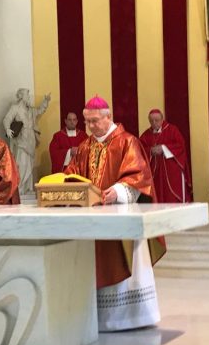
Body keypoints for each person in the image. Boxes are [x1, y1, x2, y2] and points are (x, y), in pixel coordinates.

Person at [64, 95, 166, 332]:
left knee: (126, 263)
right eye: (87, 121)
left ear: (108, 117)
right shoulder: (85, 147)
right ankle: (99, 319)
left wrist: (118, 191)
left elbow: (140, 176)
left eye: (95, 121)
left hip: (122, 217)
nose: (90, 126)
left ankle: (131, 318)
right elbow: (71, 174)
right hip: (93, 221)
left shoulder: (127, 142)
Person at [3, 88, 51, 195]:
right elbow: (7, 119)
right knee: (21, 163)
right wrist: (7, 129)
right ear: (21, 96)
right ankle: (20, 187)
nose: (29, 98)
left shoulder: (31, 110)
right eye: (27, 96)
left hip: (30, 139)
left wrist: (46, 101)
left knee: (30, 164)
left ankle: (28, 188)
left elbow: (40, 110)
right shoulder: (15, 108)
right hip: (21, 140)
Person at [139, 109, 192, 203]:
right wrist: (150, 151)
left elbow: (181, 146)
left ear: (162, 119)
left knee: (171, 197)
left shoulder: (172, 130)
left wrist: (164, 148)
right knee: (157, 195)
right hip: (155, 174)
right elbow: (140, 150)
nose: (154, 123)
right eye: (151, 121)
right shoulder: (146, 135)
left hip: (171, 171)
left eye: (156, 120)